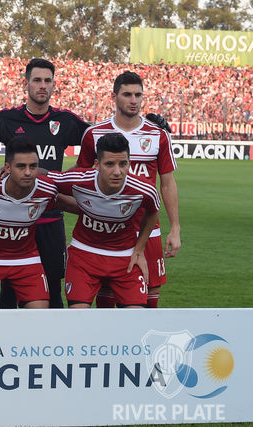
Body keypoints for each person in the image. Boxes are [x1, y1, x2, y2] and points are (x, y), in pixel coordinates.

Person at [0, 58, 91, 310]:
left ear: (53, 85)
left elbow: (101, 143)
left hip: (49, 218)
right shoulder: (6, 120)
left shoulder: (67, 121)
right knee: (8, 290)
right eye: (37, 80)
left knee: (52, 292)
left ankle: (51, 347)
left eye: (47, 81)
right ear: (26, 83)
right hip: (12, 219)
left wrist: (64, 179)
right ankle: (5, 347)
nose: (42, 86)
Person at [76, 71, 180, 309]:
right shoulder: (95, 134)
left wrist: (175, 228)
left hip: (147, 227)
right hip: (108, 228)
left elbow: (167, 182)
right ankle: (107, 346)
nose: (133, 100)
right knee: (107, 295)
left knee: (150, 297)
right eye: (127, 95)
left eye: (138, 95)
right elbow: (80, 180)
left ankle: (143, 346)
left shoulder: (157, 134)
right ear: (114, 97)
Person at [49, 133, 160, 308]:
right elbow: (40, 180)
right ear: (96, 165)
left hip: (126, 259)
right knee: (78, 318)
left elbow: (153, 212)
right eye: (109, 164)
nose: (117, 171)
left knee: (136, 320)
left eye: (123, 164)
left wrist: (139, 250)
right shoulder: (78, 181)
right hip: (84, 256)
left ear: (129, 164)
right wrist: (5, 172)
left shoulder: (144, 190)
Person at [0, 136, 62, 309]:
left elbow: (76, 204)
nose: (28, 172)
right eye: (21, 166)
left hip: (26, 259)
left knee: (39, 319)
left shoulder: (47, 190)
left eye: (33, 166)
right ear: (7, 168)